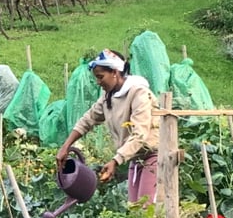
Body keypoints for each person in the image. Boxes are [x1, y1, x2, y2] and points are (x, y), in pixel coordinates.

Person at [56, 49, 161, 204]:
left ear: (114, 72)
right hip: (135, 159)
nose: (98, 82)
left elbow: (140, 134)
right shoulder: (108, 96)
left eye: (100, 77)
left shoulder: (138, 93)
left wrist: (115, 161)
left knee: (146, 210)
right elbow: (88, 119)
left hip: (154, 157)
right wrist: (66, 145)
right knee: (135, 211)